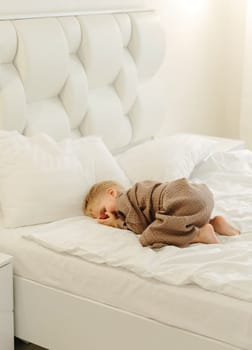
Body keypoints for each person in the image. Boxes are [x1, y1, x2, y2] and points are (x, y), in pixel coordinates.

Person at [83, 178, 240, 248]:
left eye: (104, 210)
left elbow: (138, 226)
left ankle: (199, 234)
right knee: (171, 219)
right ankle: (213, 222)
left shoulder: (124, 201)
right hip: (201, 198)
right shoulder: (139, 191)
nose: (106, 216)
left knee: (147, 238)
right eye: (102, 217)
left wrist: (117, 224)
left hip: (183, 200)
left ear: (112, 193)